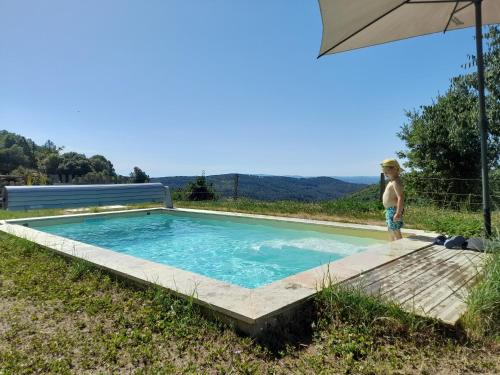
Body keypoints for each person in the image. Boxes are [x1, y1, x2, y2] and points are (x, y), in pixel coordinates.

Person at [381, 159, 404, 241]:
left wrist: (398, 213)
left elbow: (400, 197)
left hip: (393, 210)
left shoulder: (395, 182)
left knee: (395, 231)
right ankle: (391, 247)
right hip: (390, 210)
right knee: (391, 230)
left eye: (387, 170)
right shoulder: (392, 181)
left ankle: (400, 249)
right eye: (384, 171)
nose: (385, 173)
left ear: (394, 169)